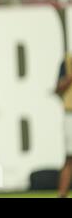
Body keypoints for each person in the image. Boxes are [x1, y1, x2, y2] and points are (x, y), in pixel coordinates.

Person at [55, 54, 72, 198]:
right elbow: (58, 88)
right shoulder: (68, 62)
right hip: (71, 113)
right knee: (70, 157)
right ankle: (62, 194)